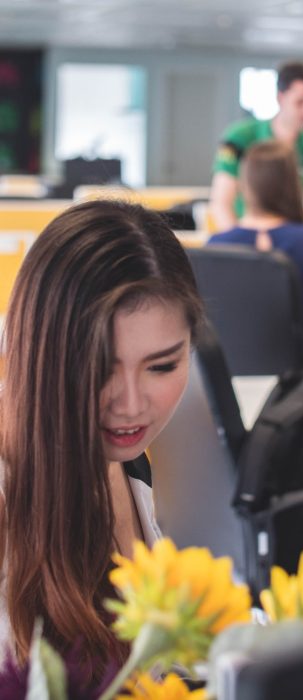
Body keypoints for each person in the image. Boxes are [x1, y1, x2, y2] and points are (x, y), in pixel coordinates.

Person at [0, 200, 204, 683]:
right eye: (99, 367)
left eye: (162, 366)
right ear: (39, 351)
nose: (131, 404)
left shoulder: (125, 461)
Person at [208, 139, 303, 366]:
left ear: (245, 186)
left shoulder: (216, 246)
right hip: (301, 384)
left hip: (232, 380)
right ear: (292, 186)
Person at [209, 60, 303, 231]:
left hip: (291, 236)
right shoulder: (240, 137)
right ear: (280, 98)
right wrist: (239, 246)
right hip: (248, 233)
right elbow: (221, 203)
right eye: (299, 102)